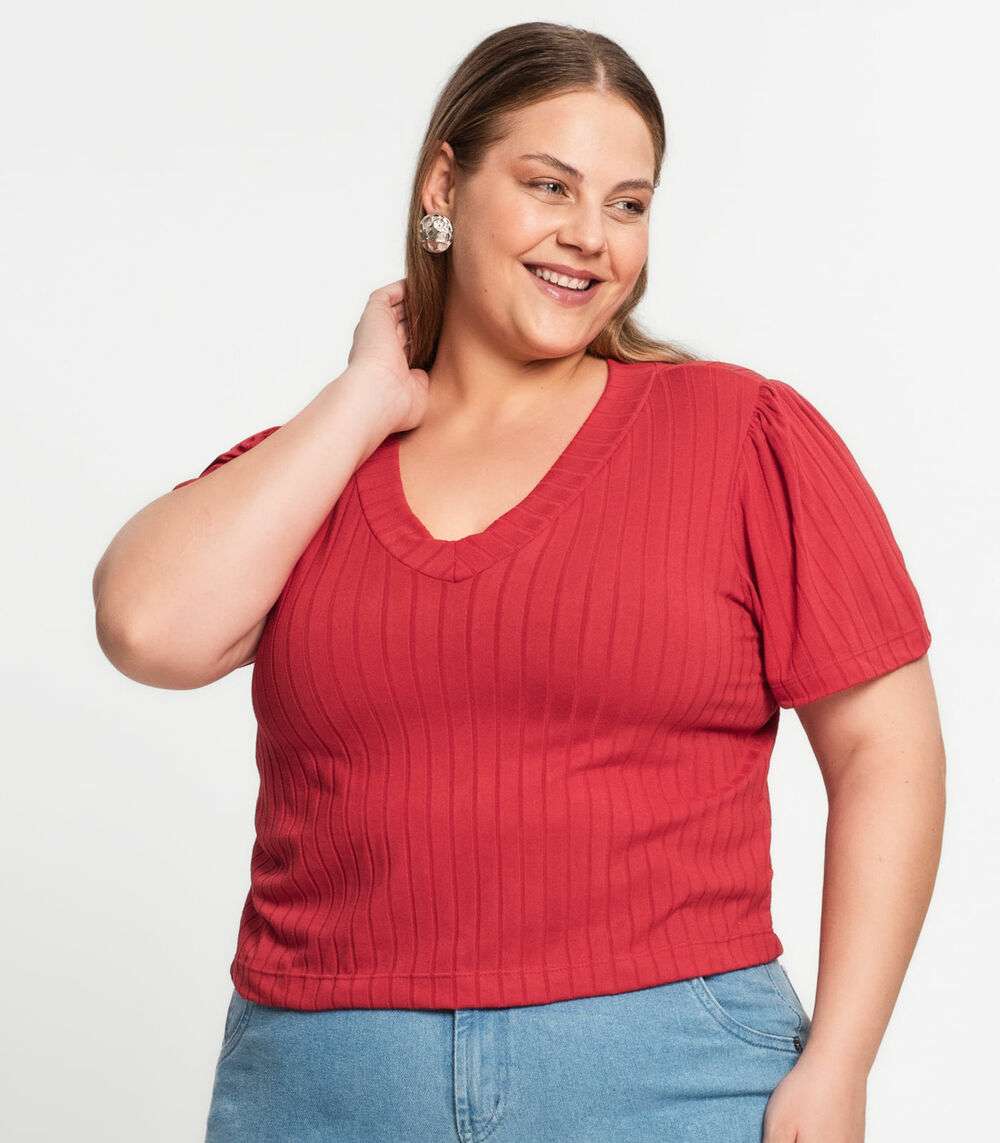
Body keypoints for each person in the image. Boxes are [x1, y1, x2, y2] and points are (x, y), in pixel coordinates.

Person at [92, 21, 945, 1143]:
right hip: (324, 1081)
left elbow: (887, 751)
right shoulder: (315, 469)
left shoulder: (739, 434)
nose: (589, 236)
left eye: (628, 204)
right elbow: (147, 628)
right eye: (550, 186)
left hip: (667, 1074)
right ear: (445, 184)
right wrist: (363, 398)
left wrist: (841, 1059)